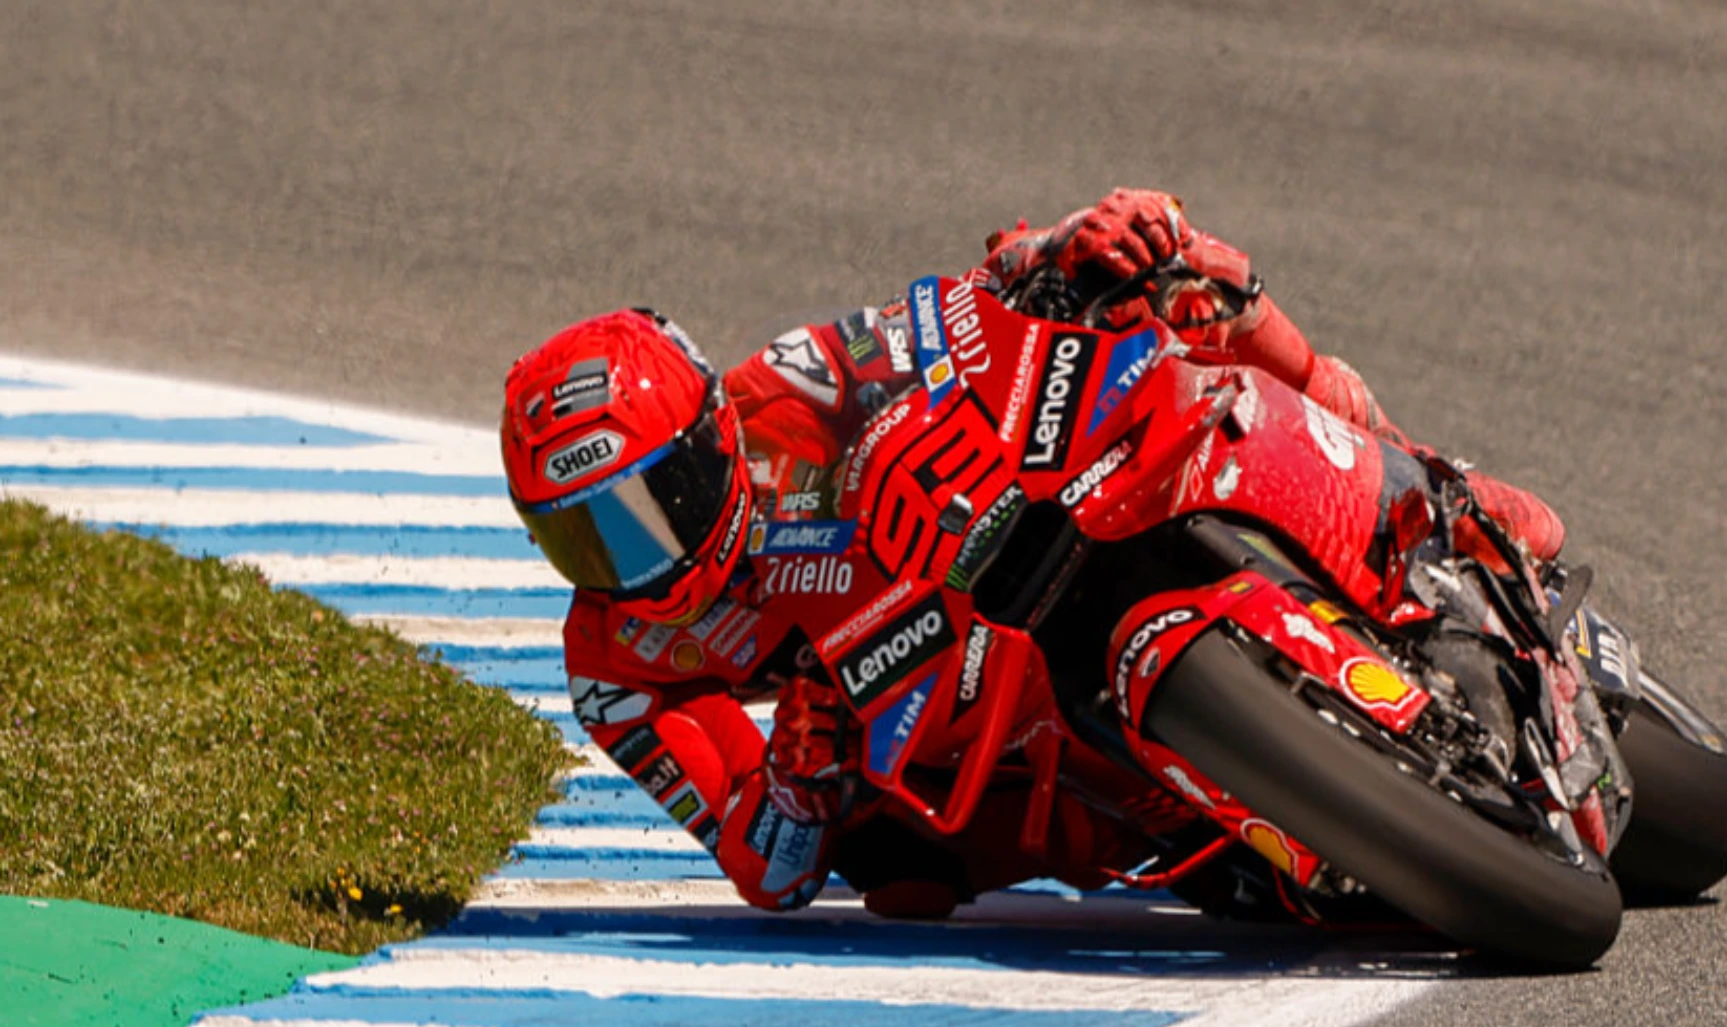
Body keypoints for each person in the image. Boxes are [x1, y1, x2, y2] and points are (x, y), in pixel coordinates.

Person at [498, 188, 1568, 917]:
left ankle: (1431, 484)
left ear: (709, 440)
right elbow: (765, 874)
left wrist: (1060, 253)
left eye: (649, 505)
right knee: (897, 876)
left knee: (1177, 281)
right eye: (581, 536)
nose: (635, 558)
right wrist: (797, 779)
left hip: (984, 542)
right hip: (934, 716)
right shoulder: (617, 667)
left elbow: (952, 316)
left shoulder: (796, 383)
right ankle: (1211, 823)